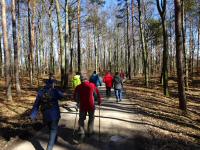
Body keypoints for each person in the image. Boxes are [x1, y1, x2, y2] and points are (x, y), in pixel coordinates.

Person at [30, 74, 65, 150]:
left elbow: (36, 104)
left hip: (45, 115)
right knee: (53, 130)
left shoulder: (40, 92)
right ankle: (49, 148)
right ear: (52, 84)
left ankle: (54, 140)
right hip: (55, 115)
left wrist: (32, 115)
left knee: (51, 128)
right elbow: (62, 96)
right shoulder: (54, 91)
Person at [74, 76, 102, 141]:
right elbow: (97, 94)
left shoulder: (78, 87)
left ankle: (81, 132)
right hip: (91, 105)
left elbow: (75, 96)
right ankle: (90, 132)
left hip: (82, 106)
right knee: (91, 118)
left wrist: (77, 102)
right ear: (87, 79)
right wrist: (99, 101)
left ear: (81, 80)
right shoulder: (92, 85)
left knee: (81, 119)